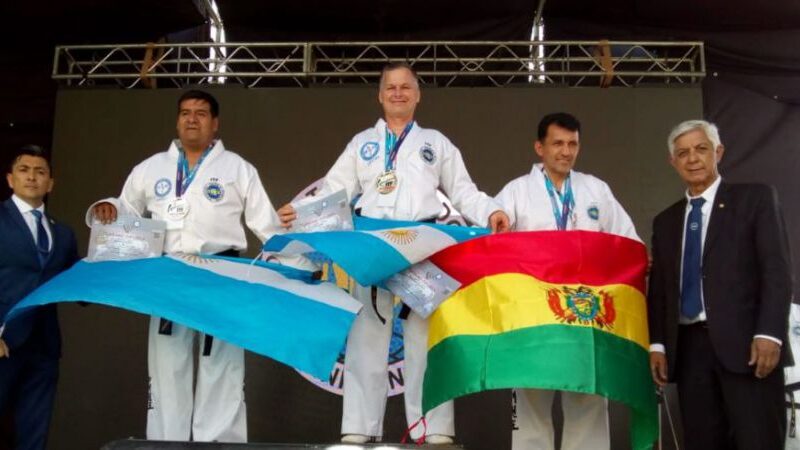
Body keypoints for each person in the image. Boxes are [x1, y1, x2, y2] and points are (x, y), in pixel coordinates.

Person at [278, 62, 509, 445]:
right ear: (380, 95)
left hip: (420, 247)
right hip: (372, 247)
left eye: (406, 87)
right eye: (391, 88)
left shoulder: (436, 143)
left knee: (424, 342)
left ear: (418, 95)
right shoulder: (362, 144)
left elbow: (464, 190)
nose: (398, 93)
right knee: (366, 338)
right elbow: (334, 190)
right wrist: (297, 213)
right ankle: (359, 429)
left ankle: (432, 430)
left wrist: (492, 211)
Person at [88, 90, 284, 442]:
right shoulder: (151, 168)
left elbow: (266, 224)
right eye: (185, 113)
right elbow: (126, 209)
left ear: (215, 123)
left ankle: (220, 442)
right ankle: (166, 441)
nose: (192, 119)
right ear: (177, 120)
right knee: (167, 365)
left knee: (222, 363)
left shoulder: (237, 168)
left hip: (221, 272)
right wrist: (108, 206)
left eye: (201, 113)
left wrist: (298, 260)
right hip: (169, 274)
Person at [494, 112, 638, 450]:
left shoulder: (595, 190)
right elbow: (492, 245)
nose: (566, 151)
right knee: (530, 404)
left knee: (587, 401)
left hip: (585, 315)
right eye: (557, 143)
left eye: (573, 143)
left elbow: (628, 244)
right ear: (539, 147)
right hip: (531, 320)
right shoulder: (516, 192)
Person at [647, 119, 792, 450]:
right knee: (702, 441)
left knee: (758, 440)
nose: (692, 159)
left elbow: (777, 271)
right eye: (682, 153)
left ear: (719, 152)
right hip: (689, 350)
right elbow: (660, 290)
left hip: (749, 346)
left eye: (701, 149)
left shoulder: (754, 199)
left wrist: (770, 333)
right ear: (673, 162)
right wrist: (657, 344)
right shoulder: (665, 221)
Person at [0, 145, 79, 450]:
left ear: (51, 183)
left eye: (40, 171)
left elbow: (74, 282)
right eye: (24, 170)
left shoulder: (63, 234)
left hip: (44, 348)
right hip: (4, 341)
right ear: (10, 179)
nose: (32, 177)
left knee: (34, 434)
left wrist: (119, 271)